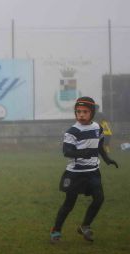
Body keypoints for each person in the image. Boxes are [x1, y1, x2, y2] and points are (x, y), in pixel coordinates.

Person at [50, 96, 118, 243]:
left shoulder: (97, 128)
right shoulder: (72, 132)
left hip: (93, 172)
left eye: (85, 112)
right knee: (69, 204)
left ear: (92, 113)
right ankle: (56, 230)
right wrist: (83, 153)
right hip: (75, 173)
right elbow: (67, 152)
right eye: (78, 111)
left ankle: (85, 226)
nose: (81, 114)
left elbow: (99, 146)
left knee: (99, 198)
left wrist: (107, 159)